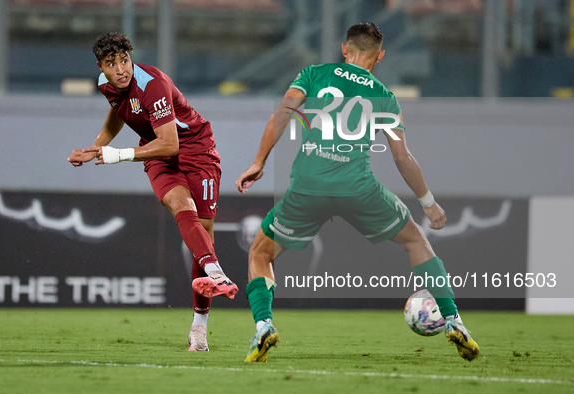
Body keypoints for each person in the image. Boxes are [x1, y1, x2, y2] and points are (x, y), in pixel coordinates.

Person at [235, 23, 479, 362]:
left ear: (343, 49)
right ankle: (455, 321)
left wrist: (258, 162)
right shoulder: (385, 97)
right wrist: (428, 202)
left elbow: (281, 116)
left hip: (308, 186)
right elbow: (401, 157)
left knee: (260, 253)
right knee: (416, 241)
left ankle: (263, 327)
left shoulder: (313, 74)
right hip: (358, 188)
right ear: (380, 56)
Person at [67, 32, 238, 352]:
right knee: (177, 202)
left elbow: (172, 142)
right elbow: (117, 115)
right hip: (158, 155)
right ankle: (216, 273)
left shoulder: (152, 84)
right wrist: (96, 148)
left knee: (204, 230)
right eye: (111, 63)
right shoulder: (107, 86)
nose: (121, 69)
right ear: (100, 67)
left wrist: (117, 154)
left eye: (124, 60)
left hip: (196, 150)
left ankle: (198, 327)